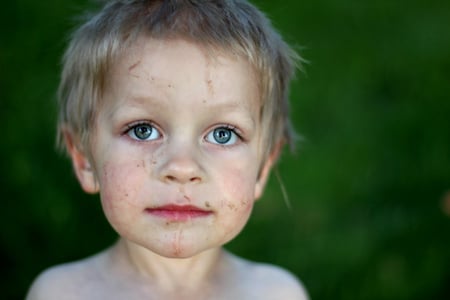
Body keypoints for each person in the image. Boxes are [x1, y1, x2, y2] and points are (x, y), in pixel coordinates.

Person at [26, 0, 308, 299]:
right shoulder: (61, 293)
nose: (182, 168)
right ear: (84, 159)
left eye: (223, 134)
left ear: (263, 168)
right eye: (143, 130)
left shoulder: (277, 293)